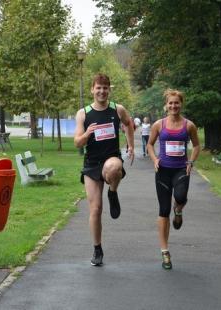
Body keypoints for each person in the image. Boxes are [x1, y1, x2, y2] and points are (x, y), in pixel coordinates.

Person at [74, 73, 135, 267]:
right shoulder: (83, 113)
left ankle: (113, 191)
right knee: (96, 209)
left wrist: (131, 144)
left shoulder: (117, 109)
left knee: (114, 166)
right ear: (92, 89)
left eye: (105, 88)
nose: (102, 91)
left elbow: (128, 124)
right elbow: (77, 143)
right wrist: (87, 134)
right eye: (98, 88)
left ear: (109, 90)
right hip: (92, 163)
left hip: (111, 158)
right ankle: (97, 248)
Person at [147, 89, 201, 270]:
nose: (173, 106)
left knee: (181, 197)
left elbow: (196, 146)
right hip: (163, 171)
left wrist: (191, 161)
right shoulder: (159, 125)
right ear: (166, 105)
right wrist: (155, 160)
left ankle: (178, 211)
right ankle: (165, 251)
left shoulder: (189, 126)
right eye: (170, 103)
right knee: (163, 210)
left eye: (176, 103)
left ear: (181, 104)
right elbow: (150, 145)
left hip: (180, 169)